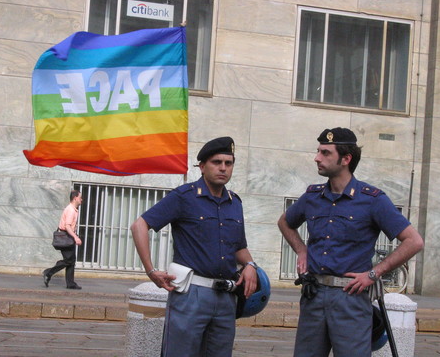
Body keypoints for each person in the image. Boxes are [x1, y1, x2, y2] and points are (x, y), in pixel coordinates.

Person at [278, 127, 424, 357]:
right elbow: (285, 222)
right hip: (313, 295)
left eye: (325, 153)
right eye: (318, 151)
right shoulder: (312, 197)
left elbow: (414, 241)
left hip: (350, 298)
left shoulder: (372, 200)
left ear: (346, 159)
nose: (317, 158)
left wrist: (374, 274)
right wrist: (301, 250)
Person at [131, 136, 258, 357]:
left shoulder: (234, 202)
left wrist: (250, 264)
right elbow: (139, 225)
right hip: (191, 294)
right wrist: (150, 270)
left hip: (226, 298)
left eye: (228, 163)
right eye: (216, 162)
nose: (223, 168)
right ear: (202, 166)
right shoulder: (185, 196)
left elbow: (239, 246)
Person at [43, 189, 83, 290]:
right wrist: (75, 237)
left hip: (67, 236)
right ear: (75, 198)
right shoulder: (70, 210)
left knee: (71, 260)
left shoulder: (73, 209)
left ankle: (71, 283)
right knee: (69, 260)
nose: (81, 199)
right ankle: (48, 273)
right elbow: (67, 226)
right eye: (80, 197)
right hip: (66, 237)